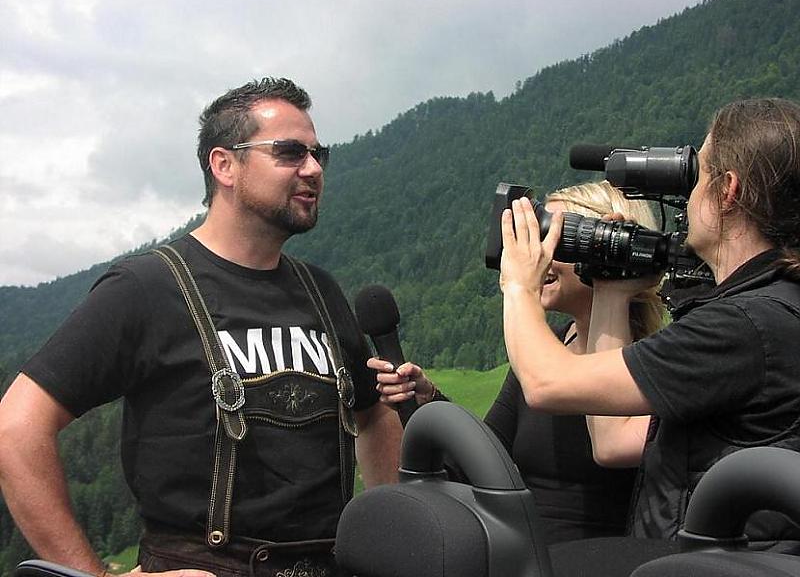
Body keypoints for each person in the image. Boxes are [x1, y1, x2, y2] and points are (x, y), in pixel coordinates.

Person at [0, 77, 403, 577]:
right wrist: (91, 576)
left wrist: (388, 547)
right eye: (290, 152)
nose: (314, 168)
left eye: (319, 154)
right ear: (224, 165)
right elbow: (15, 426)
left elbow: (373, 414)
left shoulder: (321, 290)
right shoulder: (146, 287)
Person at [500, 98, 800, 544]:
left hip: (713, 564)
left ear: (727, 191)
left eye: (698, 177)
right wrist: (612, 290)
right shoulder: (768, 309)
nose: (689, 197)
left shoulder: (742, 325)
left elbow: (546, 384)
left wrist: (518, 285)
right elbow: (611, 441)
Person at [370, 180, 664, 544]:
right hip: (526, 558)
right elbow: (478, 465)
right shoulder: (547, 349)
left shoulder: (654, 360)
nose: (538, 254)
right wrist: (428, 401)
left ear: (603, 244)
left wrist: (520, 289)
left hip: (608, 559)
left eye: (556, 239)